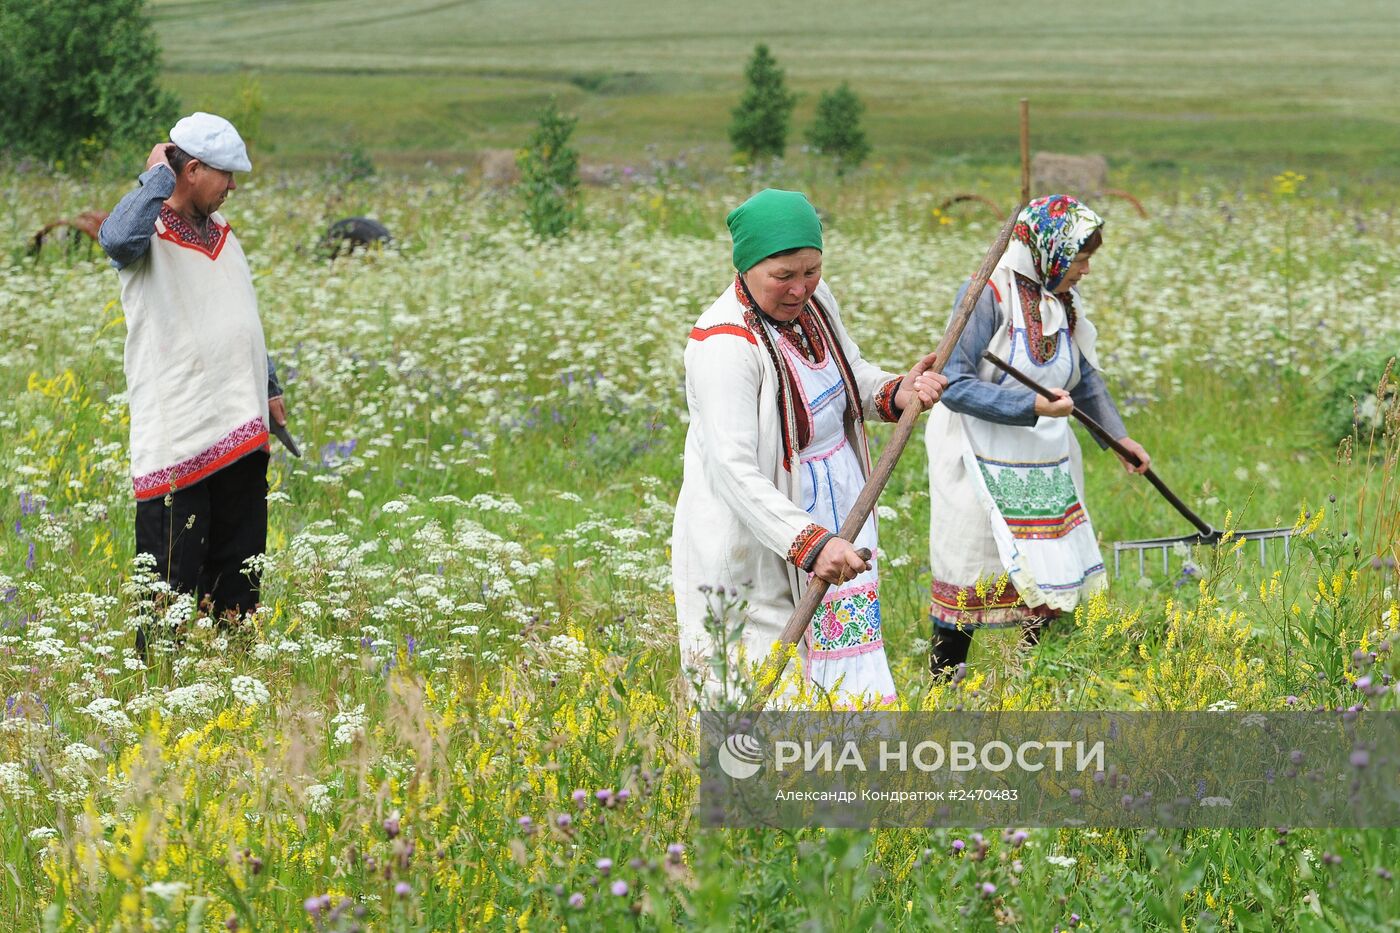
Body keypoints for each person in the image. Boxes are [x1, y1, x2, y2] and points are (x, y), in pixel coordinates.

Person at [673, 188, 947, 706]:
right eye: (784, 276)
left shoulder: (816, 304)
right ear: (745, 267)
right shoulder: (724, 345)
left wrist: (896, 391)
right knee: (765, 678)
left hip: (837, 510)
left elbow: (847, 375)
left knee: (842, 677)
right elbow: (733, 470)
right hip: (760, 537)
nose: (800, 288)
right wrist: (810, 544)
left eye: (812, 271)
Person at [924, 194, 1150, 677]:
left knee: (1050, 573)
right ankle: (941, 689)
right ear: (1050, 252)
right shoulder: (987, 294)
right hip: (976, 456)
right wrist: (1030, 405)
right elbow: (952, 384)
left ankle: (1031, 682)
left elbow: (1082, 377)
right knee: (971, 569)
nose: (1086, 269)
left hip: (1044, 460)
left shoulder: (1059, 299)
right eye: (1080, 258)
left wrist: (1118, 439)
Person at [98, 112, 287, 639]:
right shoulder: (146, 232)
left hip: (240, 422)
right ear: (193, 169)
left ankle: (233, 664)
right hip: (180, 431)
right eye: (226, 174)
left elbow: (240, 311)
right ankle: (160, 672)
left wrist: (268, 384)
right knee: (171, 575)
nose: (232, 187)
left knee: (239, 571)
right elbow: (115, 239)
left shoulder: (222, 230)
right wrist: (157, 176)